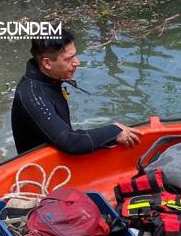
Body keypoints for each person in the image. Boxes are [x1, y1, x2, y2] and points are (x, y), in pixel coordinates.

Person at [11, 29, 141, 155]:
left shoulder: (49, 78)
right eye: (69, 59)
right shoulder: (32, 95)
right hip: (41, 170)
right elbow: (69, 141)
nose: (77, 62)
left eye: (75, 56)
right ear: (47, 63)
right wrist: (113, 131)